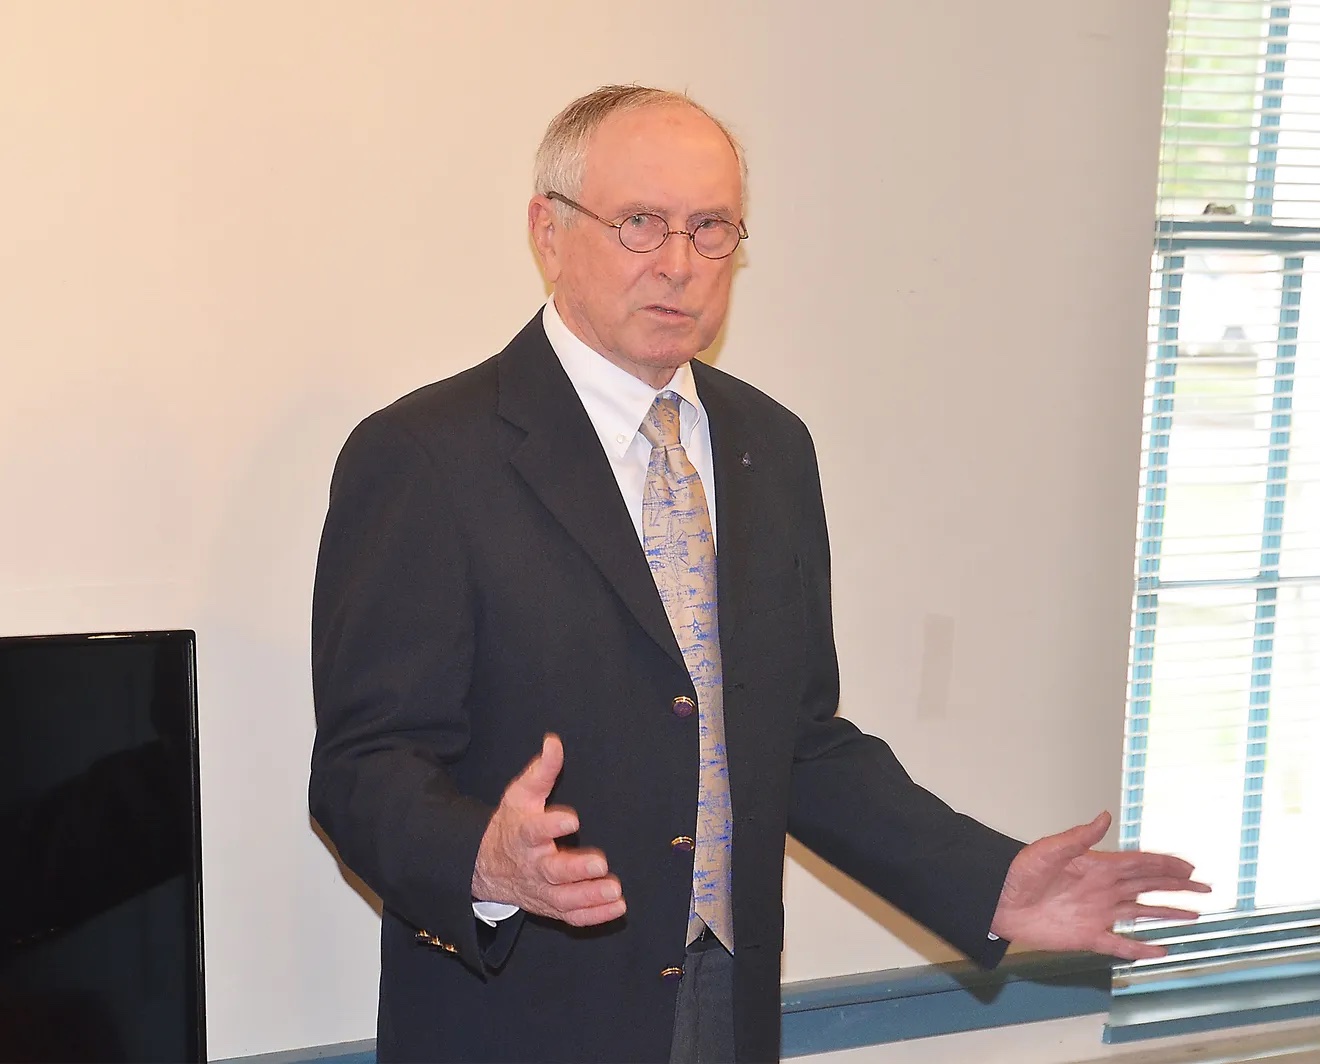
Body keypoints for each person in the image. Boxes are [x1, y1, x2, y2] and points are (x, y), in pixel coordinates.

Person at [309, 85, 1208, 1064]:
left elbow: (797, 741)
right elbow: (363, 766)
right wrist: (480, 854)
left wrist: (984, 881)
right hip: (524, 1011)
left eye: (711, 230)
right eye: (641, 224)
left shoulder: (770, 445)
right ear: (549, 230)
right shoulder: (428, 454)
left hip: (724, 999)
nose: (679, 265)